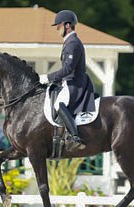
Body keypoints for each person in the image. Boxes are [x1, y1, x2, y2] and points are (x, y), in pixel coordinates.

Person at [39, 10, 95, 151]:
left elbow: (68, 69)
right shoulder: (69, 42)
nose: (57, 29)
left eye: (58, 25)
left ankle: (75, 137)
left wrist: (47, 77)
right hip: (68, 82)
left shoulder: (73, 43)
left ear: (67, 25)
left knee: (59, 104)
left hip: (75, 84)